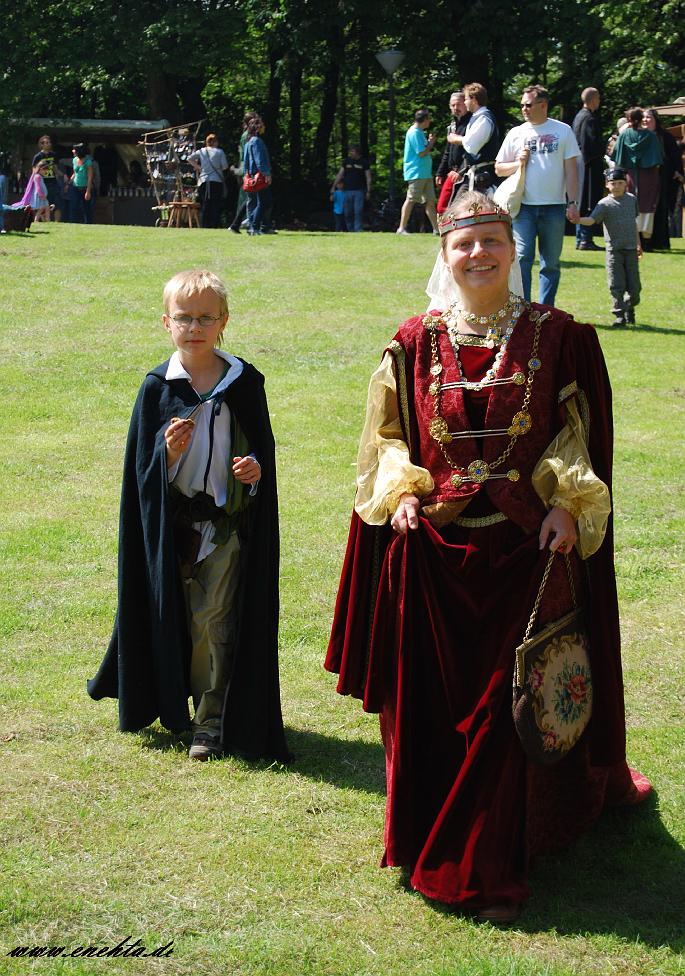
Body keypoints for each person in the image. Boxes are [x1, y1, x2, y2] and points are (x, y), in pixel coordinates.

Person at [326, 189, 651, 922]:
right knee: (437, 705)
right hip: (434, 557)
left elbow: (577, 436)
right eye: (463, 245)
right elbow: (384, 438)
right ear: (444, 255)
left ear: (514, 248)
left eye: (491, 242)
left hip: (528, 555)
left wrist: (567, 506)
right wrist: (400, 490)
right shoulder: (411, 340)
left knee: (515, 709)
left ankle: (504, 844)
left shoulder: (559, 335)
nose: (478, 255)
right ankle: (434, 822)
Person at [88, 269, 289, 763]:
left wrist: (253, 470)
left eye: (205, 318)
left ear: (223, 322)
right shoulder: (158, 387)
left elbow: (262, 453)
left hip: (223, 525)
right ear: (166, 322)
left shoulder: (244, 383)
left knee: (213, 621)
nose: (194, 327)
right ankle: (169, 702)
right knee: (172, 616)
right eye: (184, 318)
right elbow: (141, 471)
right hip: (171, 530)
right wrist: (168, 455)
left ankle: (211, 721)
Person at [495, 85, 580, 305]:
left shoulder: (563, 130)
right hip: (523, 207)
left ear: (543, 105)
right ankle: (523, 307)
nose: (524, 108)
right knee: (522, 258)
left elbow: (571, 170)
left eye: (528, 104)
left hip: (554, 207)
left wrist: (573, 203)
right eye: (522, 104)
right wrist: (518, 162)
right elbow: (499, 168)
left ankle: (545, 309)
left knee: (550, 263)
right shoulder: (516, 133)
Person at [578, 167, 642, 327]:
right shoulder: (604, 204)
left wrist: (638, 244)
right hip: (614, 251)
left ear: (626, 183)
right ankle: (619, 315)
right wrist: (577, 220)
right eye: (613, 183)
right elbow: (592, 220)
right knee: (616, 283)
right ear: (607, 185)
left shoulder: (631, 199)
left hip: (631, 249)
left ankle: (629, 306)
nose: (617, 186)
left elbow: (634, 223)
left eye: (620, 183)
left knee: (635, 288)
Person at [612, 108, 662, 242]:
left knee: (629, 200)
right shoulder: (651, 136)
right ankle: (645, 236)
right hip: (648, 175)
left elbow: (616, 156)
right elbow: (657, 160)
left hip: (630, 175)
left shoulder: (624, 135)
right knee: (647, 201)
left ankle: (629, 233)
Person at [444, 83, 500, 194]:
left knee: (462, 209)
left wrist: (455, 138)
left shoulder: (484, 118)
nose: (465, 102)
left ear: (473, 99)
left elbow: (471, 145)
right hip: (475, 174)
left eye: (465, 99)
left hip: (483, 177)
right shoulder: (477, 117)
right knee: (457, 209)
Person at [641, 108, 683, 251]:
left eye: (649, 117)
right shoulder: (639, 135)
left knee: (660, 209)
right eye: (644, 117)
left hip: (662, 178)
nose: (646, 120)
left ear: (655, 120)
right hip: (644, 179)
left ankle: (659, 242)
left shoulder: (665, 136)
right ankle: (643, 241)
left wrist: (678, 172)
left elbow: (675, 156)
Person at [572, 87, 604, 250]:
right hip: (589, 167)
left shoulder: (579, 117)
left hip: (581, 165)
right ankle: (585, 239)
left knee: (582, 201)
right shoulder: (589, 118)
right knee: (588, 201)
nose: (599, 102)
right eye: (598, 99)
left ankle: (581, 238)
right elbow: (591, 144)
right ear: (592, 100)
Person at [397, 109, 437, 235]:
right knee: (411, 199)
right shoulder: (414, 133)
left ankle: (437, 230)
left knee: (430, 202)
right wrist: (431, 143)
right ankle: (401, 228)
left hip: (425, 173)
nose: (429, 121)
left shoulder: (419, 132)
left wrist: (429, 142)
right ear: (424, 120)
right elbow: (421, 152)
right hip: (416, 172)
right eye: (428, 119)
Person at [189, 133, 228, 229]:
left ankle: (204, 224)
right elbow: (225, 166)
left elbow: (189, 159)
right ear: (215, 142)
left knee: (205, 203)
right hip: (216, 181)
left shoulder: (202, 151)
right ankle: (214, 224)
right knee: (215, 204)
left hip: (204, 180)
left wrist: (199, 168)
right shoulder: (220, 152)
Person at [330, 144, 372, 233]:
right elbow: (340, 174)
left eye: (352, 151)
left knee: (358, 211)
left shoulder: (364, 162)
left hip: (359, 190)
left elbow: (368, 177)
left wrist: (368, 191)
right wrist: (334, 186)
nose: (350, 153)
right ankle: (350, 230)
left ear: (357, 152)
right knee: (347, 212)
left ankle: (358, 230)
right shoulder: (346, 161)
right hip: (347, 190)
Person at [243, 116, 273, 236]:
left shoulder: (249, 141)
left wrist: (246, 174)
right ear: (257, 127)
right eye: (262, 125)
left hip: (252, 176)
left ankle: (256, 226)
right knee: (264, 202)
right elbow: (259, 160)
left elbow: (245, 160)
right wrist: (266, 174)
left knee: (261, 202)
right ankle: (253, 227)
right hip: (259, 176)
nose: (264, 127)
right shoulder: (256, 141)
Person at [228, 112, 258, 234]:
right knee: (248, 198)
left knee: (248, 197)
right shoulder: (247, 136)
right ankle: (244, 222)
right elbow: (246, 156)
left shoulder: (246, 136)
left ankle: (241, 223)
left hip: (245, 169)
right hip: (247, 170)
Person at [435, 91, 471, 190]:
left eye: (458, 104)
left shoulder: (471, 124)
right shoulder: (453, 126)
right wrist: (440, 172)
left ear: (465, 104)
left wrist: (461, 172)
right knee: (443, 205)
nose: (456, 108)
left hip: (466, 174)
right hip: (453, 174)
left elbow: (471, 150)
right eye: (453, 105)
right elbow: (448, 151)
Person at [31, 134, 64, 221]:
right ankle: (43, 221)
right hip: (42, 183)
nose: (48, 144)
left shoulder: (54, 155)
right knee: (43, 204)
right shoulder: (38, 156)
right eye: (46, 143)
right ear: (41, 144)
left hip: (53, 182)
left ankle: (57, 223)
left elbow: (56, 169)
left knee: (57, 203)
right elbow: (34, 172)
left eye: (49, 142)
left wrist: (63, 175)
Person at [68, 143, 93, 223]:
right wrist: (69, 183)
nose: (72, 151)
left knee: (86, 208)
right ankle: (74, 223)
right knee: (74, 206)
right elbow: (75, 173)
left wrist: (88, 191)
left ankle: (88, 223)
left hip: (85, 187)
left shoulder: (88, 162)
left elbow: (90, 177)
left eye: (74, 150)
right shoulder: (74, 160)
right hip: (75, 187)